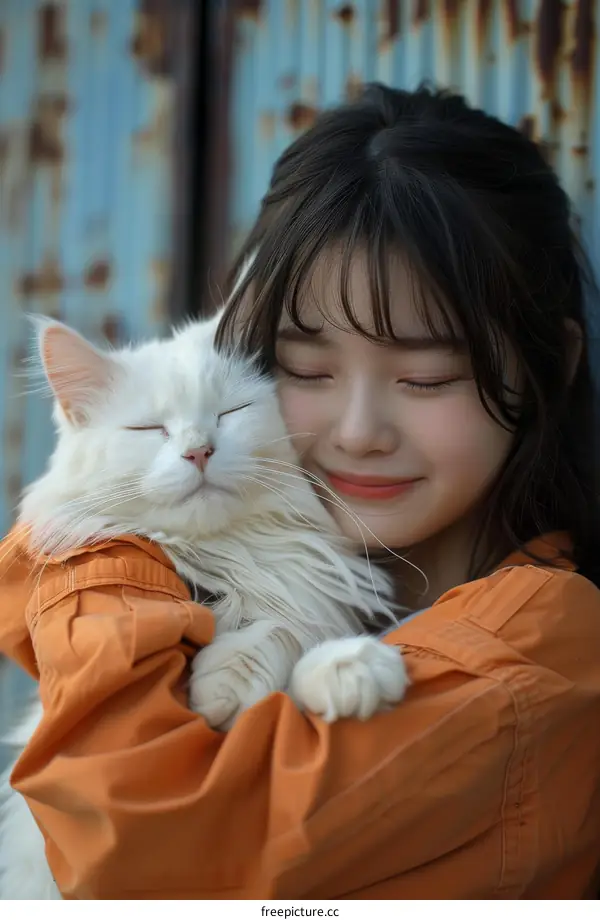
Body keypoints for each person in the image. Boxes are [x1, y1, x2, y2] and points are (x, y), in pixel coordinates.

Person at [5, 82, 600, 899]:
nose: (357, 431)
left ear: (549, 372)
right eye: (306, 370)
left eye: (428, 377)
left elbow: (137, 847)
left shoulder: (540, 653)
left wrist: (76, 557)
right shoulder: (249, 561)